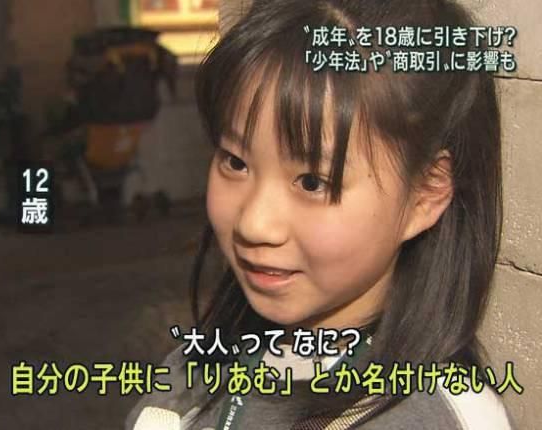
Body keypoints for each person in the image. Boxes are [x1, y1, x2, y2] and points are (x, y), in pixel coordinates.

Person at [126, 0, 516, 428]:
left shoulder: (437, 416)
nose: (254, 224)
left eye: (312, 182)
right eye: (235, 162)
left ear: (425, 194)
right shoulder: (198, 366)